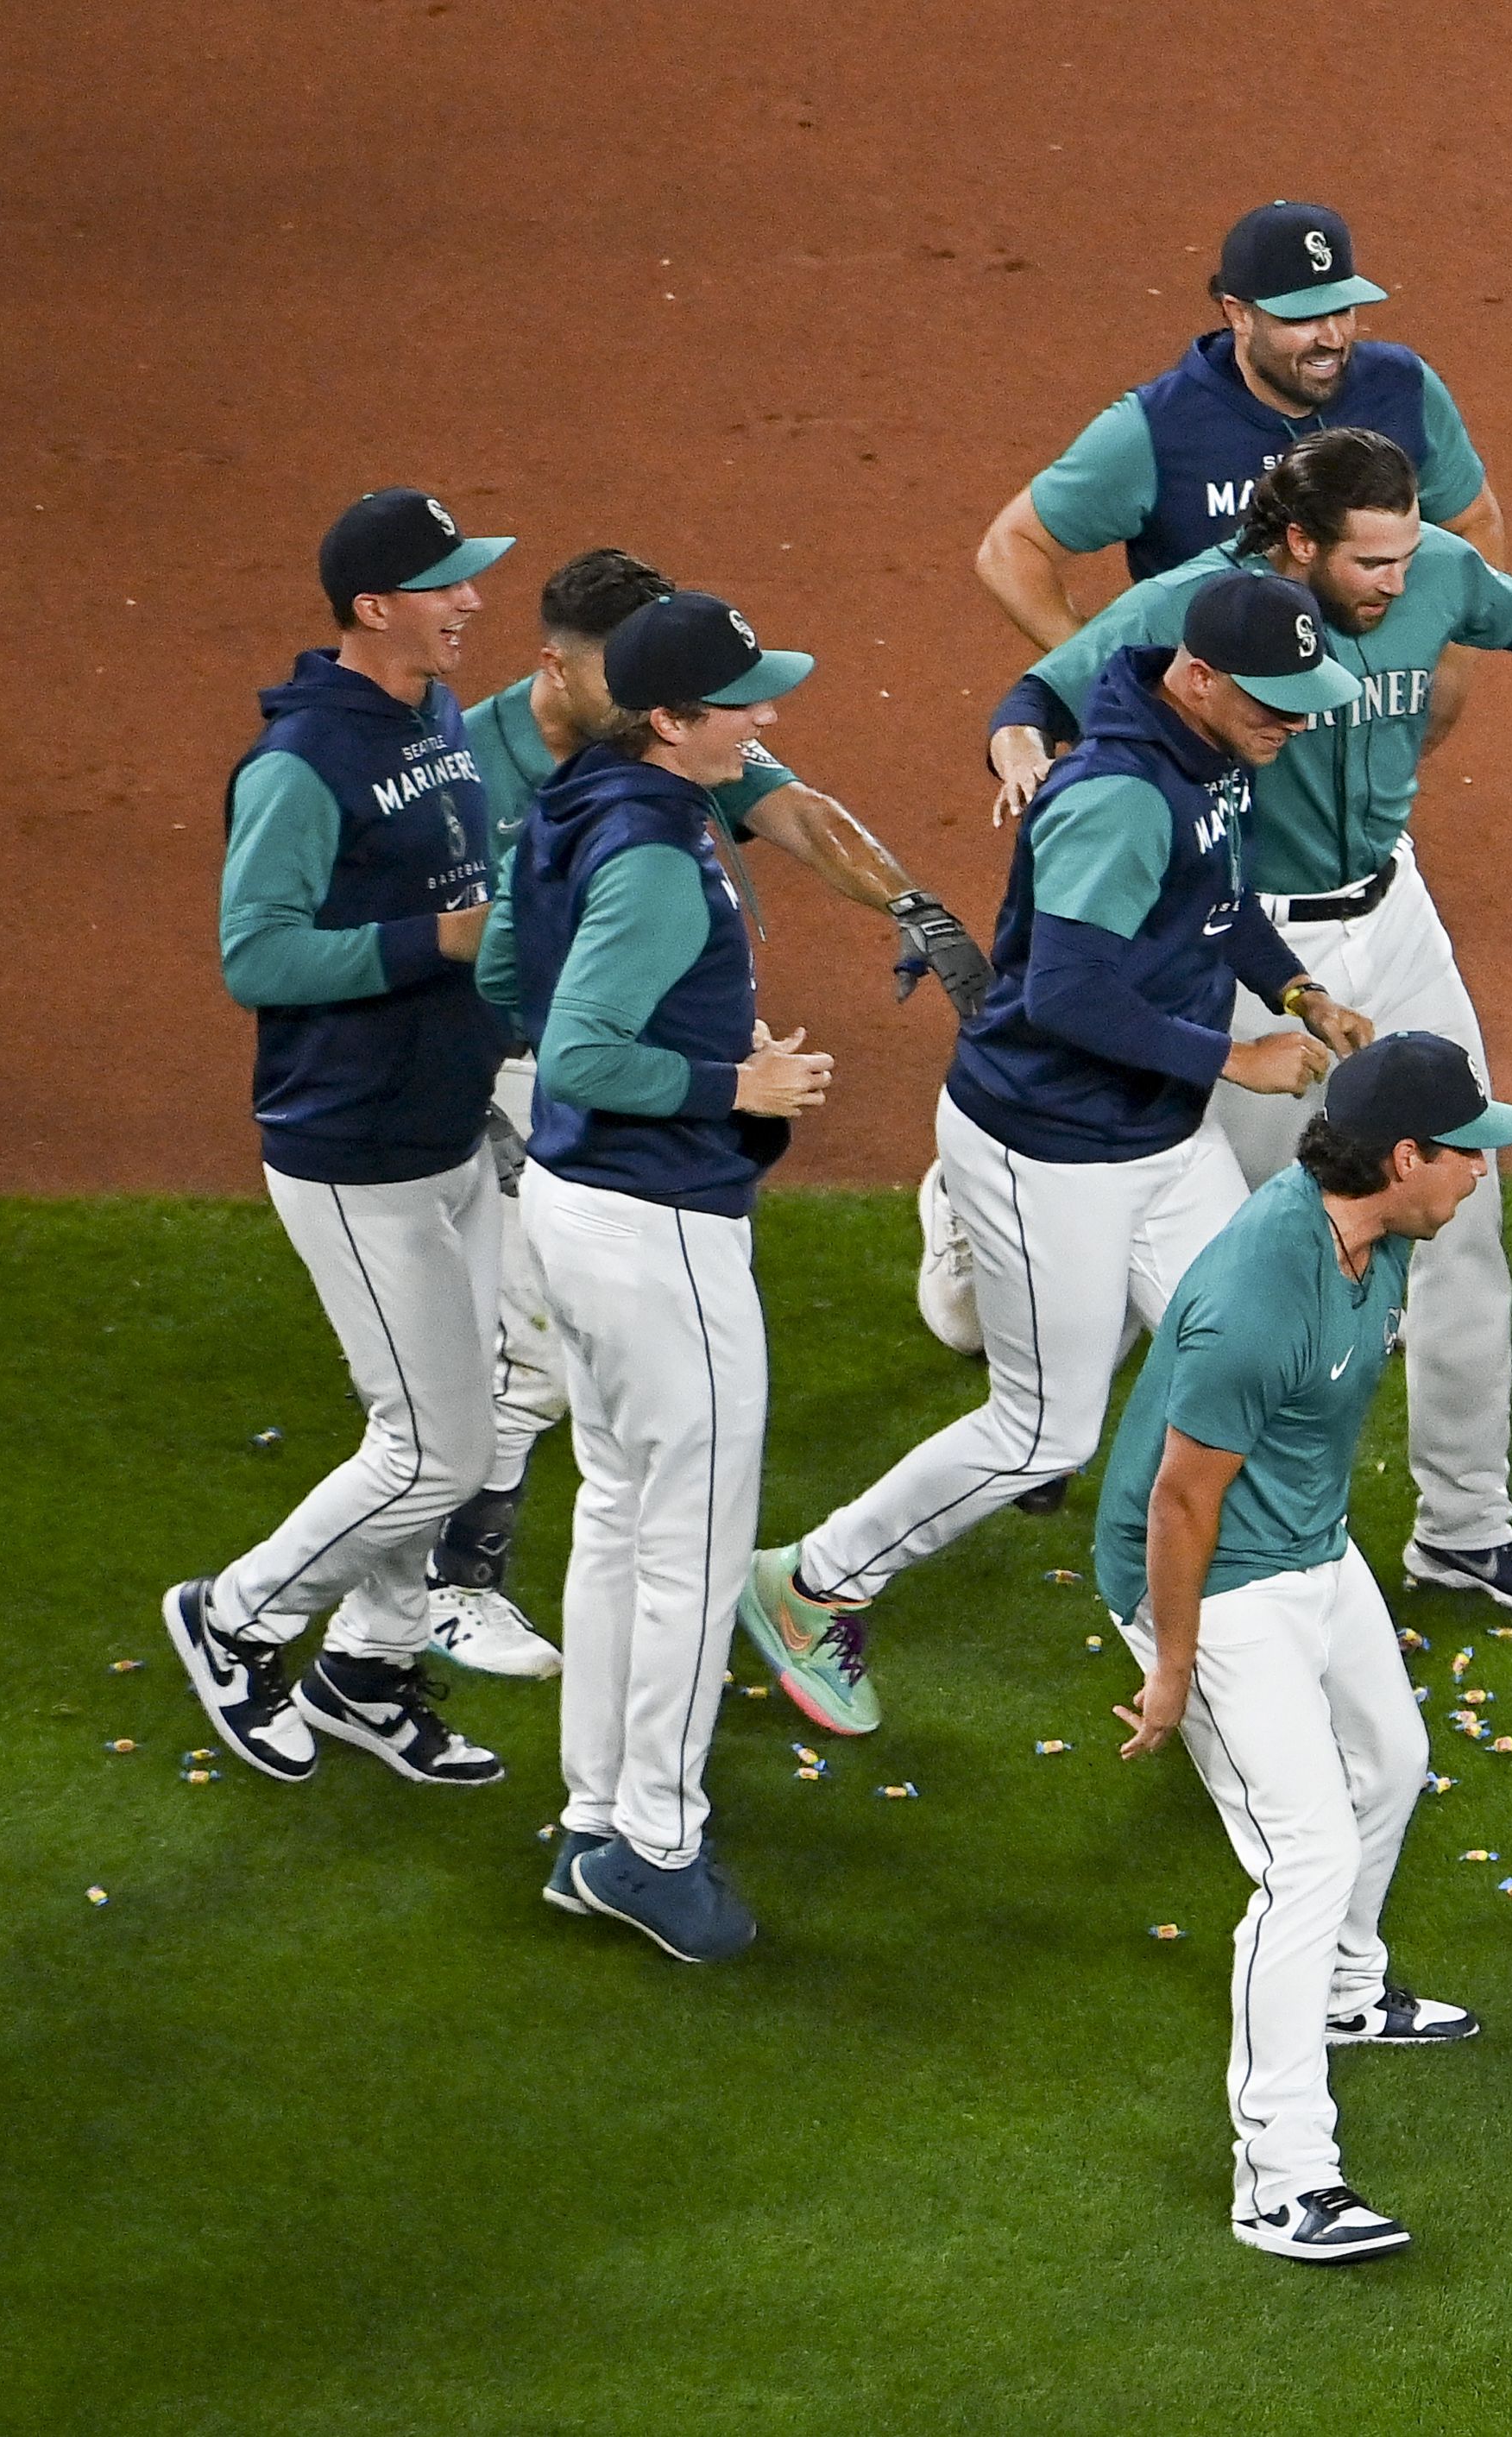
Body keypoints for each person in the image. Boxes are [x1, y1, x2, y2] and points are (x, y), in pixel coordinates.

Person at [961, 428, 1512, 1607]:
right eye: (1369, 562)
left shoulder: (1430, 570)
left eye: (1405, 554)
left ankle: (1464, 1526)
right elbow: (1041, 694)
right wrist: (1019, 744)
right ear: (1295, 545)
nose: (1396, 579)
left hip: (1392, 915)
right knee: (1240, 1245)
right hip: (1238, 932)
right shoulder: (1206, 611)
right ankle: (1024, 1323)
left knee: (1457, 1208)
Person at [740, 574, 1373, 1738]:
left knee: (1239, 1349)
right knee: (1043, 1429)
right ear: (1196, 677)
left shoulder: (1209, 755)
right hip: (1050, 1147)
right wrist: (1231, 1060)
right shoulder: (1119, 797)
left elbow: (1221, 906)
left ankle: (1243, 1612)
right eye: (1274, 699)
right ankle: (812, 1578)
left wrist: (1301, 990)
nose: (1293, 719)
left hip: (1156, 1135)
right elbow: (1064, 993)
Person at [420, 547, 988, 1676]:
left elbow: (796, 811)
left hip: (599, 1070)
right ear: (561, 667)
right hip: (507, 1069)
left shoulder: (659, 739)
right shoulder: (471, 765)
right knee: (528, 1366)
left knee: (593, 1387)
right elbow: (450, 955)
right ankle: (444, 1588)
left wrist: (913, 903)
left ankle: (604, 1635)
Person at [1101, 1033, 1512, 2263]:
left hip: (1307, 1549)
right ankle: (1279, 2175)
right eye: (1467, 1154)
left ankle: (1345, 1988)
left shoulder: (1378, 1234)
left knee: (1390, 1758)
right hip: (1213, 1575)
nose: (1483, 1174)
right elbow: (1181, 1500)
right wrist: (1173, 1669)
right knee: (1305, 1848)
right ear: (1403, 1157)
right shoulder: (1258, 1289)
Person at [492, 589, 835, 1963]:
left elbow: (518, 975)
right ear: (675, 720)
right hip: (655, 1229)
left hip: (577, 1206)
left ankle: (593, 1820)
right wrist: (729, 1075)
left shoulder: (578, 798)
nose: (766, 715)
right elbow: (577, 1050)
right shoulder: (647, 848)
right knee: (689, 1545)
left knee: (624, 1515)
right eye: (744, 699)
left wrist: (679, 1026)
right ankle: (655, 1842)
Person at [164, 487, 513, 1792]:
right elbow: (255, 952)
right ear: (376, 609)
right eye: (448, 583)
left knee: (459, 1422)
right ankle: (236, 1612)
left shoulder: (423, 711)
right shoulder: (301, 761)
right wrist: (446, 938)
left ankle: (366, 1664)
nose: (472, 598)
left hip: (445, 1123)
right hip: (352, 1146)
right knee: (432, 1447)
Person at [977, 200, 1500, 686]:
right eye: (1302, 317)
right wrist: (1109, 680)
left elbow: (1473, 521)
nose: (1333, 337)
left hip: (1356, 728)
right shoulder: (1158, 429)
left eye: (1342, 310)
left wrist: (1449, 669)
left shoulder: (1401, 389)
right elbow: (1012, 550)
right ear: (1239, 313)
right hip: (1220, 742)